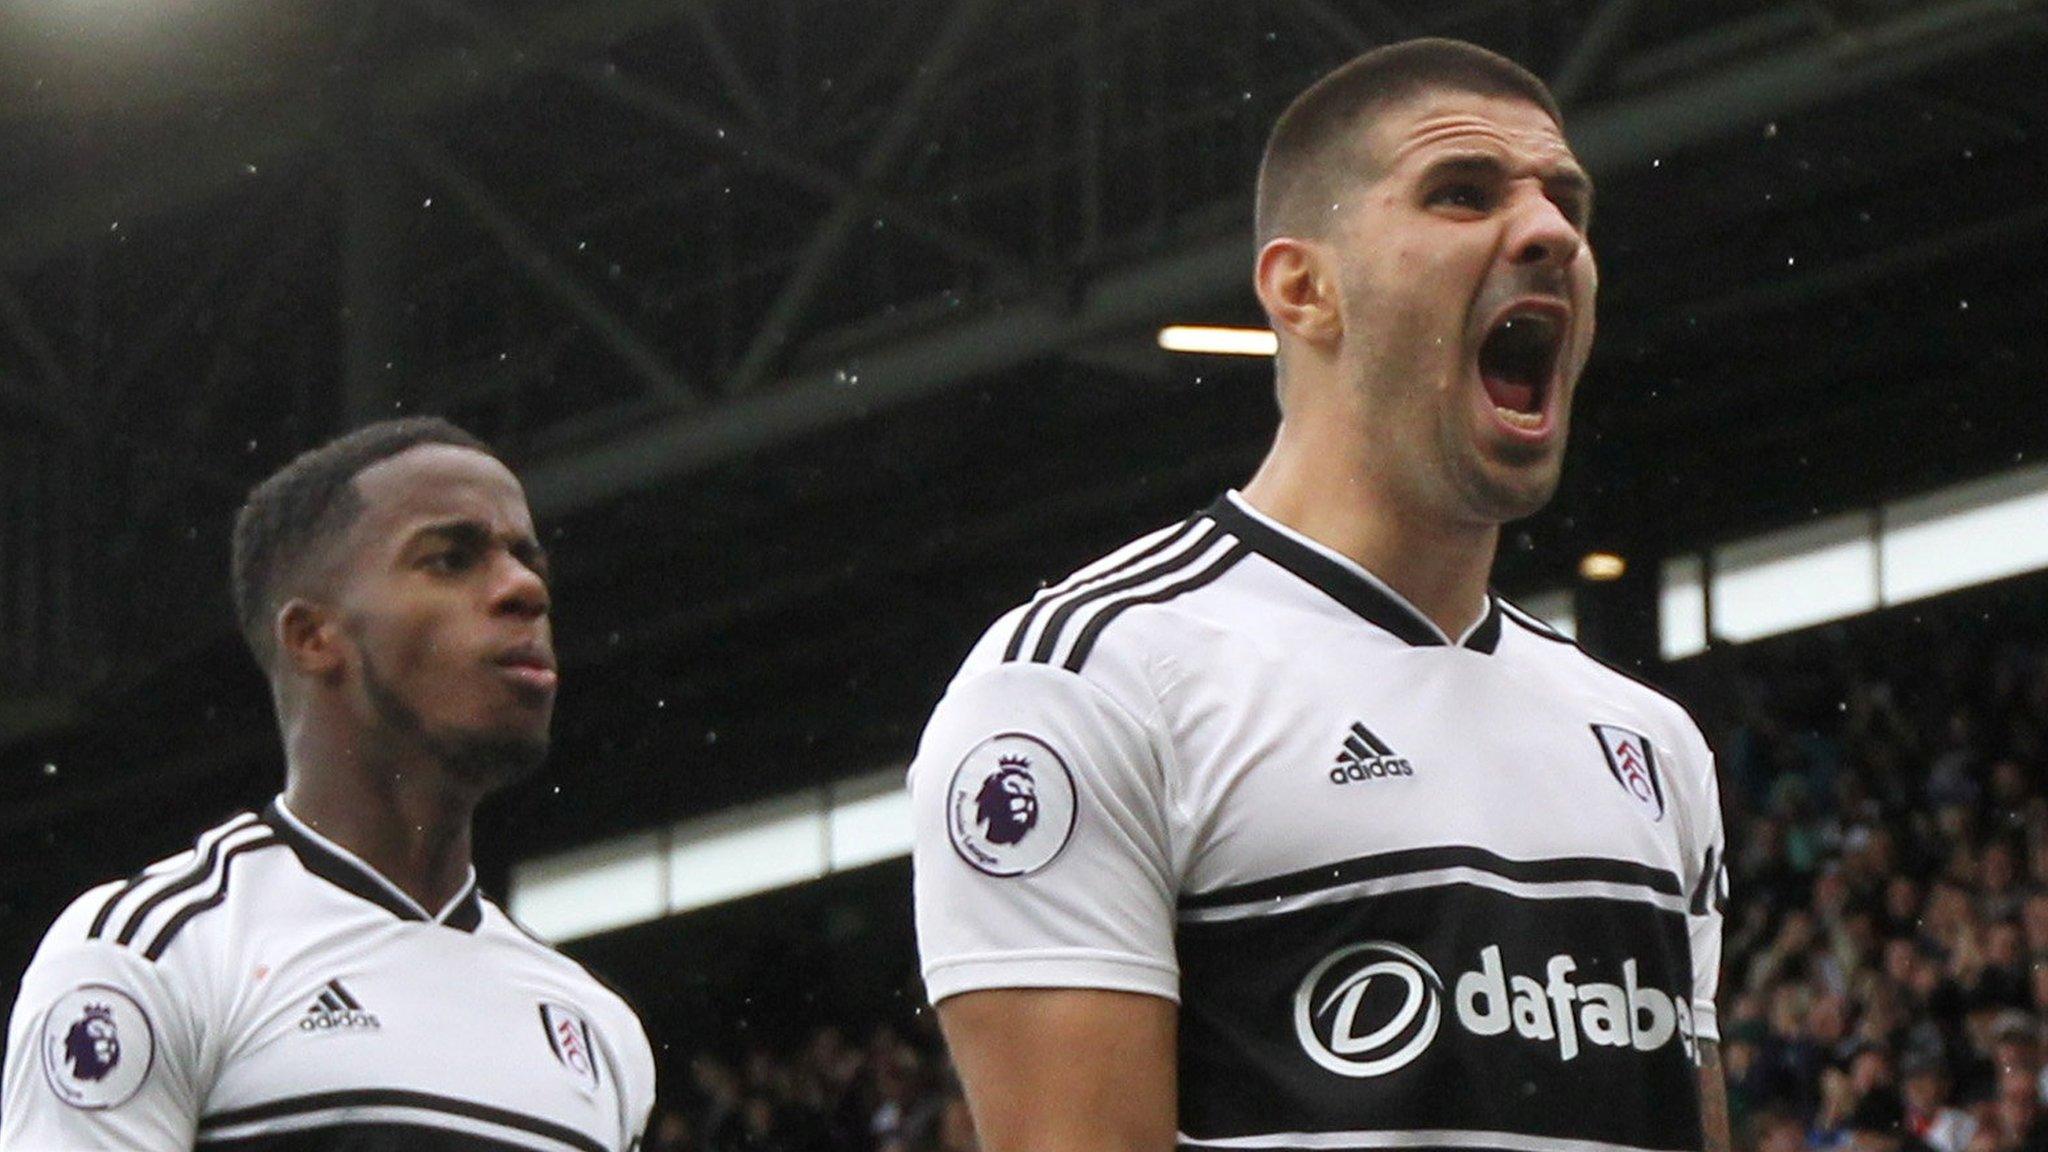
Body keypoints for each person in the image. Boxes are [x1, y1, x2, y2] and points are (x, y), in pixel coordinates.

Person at [908, 37, 1729, 1152]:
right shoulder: (1084, 685)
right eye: (1460, 194)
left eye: (1565, 202)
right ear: (1304, 289)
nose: (1549, 233)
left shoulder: (1653, 746)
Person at [2, 418, 656, 1149]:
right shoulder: (152, 954)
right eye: (451, 559)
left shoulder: (598, 1027)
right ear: (314, 637)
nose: (525, 589)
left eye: (526, 559)